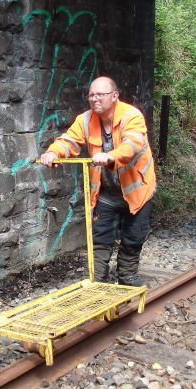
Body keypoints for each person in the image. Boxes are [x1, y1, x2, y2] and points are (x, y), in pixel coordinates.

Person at [40, 76, 156, 286]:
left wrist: (111, 155)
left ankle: (127, 275)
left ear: (114, 96)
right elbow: (69, 140)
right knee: (100, 239)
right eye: (91, 95)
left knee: (133, 237)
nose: (95, 99)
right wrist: (53, 152)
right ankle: (98, 281)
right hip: (105, 193)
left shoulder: (131, 116)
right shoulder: (85, 120)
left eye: (100, 94)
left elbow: (133, 144)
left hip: (136, 190)